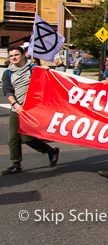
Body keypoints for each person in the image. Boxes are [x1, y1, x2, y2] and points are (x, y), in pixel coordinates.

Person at [2, 46, 60, 174]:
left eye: (16, 55)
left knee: (27, 138)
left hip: (31, 110)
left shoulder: (33, 69)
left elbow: (50, 80)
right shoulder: (8, 72)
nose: (13, 58)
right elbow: (7, 90)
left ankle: (50, 150)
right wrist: (16, 106)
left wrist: (46, 70)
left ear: (23, 55)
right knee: (13, 138)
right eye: (11, 56)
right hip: (17, 109)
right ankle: (16, 164)